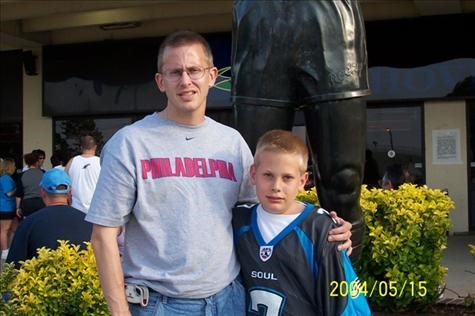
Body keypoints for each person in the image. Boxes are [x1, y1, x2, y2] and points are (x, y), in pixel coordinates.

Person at [86, 30, 352, 316]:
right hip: (158, 305)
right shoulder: (130, 144)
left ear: (212, 76)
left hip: (230, 301)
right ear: (160, 82)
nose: (185, 81)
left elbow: (264, 211)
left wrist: (326, 228)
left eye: (194, 70)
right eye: (175, 72)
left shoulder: (232, 143)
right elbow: (103, 236)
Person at [232, 0, 369, 260]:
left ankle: (341, 286)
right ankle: (259, 283)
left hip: (332, 22)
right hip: (260, 20)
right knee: (252, 185)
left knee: (344, 181)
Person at [233, 130, 370, 315]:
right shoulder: (239, 220)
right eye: (268, 175)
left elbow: (343, 303)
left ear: (302, 180)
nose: (276, 186)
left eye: (287, 177)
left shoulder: (320, 230)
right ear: (253, 174)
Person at [6, 168, 92, 268]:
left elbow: (12, 267)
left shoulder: (28, 223)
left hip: (39, 281)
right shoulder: (88, 221)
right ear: (70, 192)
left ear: (42, 192)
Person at [65, 135, 101, 213]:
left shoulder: (72, 162)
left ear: (81, 147)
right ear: (95, 147)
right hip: (95, 210)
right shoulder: (101, 162)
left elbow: (64, 182)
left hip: (75, 209)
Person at [16, 152, 45, 218]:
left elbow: (19, 194)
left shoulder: (22, 175)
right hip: (41, 202)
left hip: (27, 203)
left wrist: (17, 208)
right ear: (37, 161)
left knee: (28, 224)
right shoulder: (44, 173)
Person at [0, 158, 17, 260]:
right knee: (4, 230)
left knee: (9, 229)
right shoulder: (6, 178)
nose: (15, 167)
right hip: (6, 207)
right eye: (14, 165)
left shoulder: (4, 178)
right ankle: (5, 252)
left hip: (6, 207)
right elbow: (9, 193)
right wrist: (17, 188)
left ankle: (6, 249)